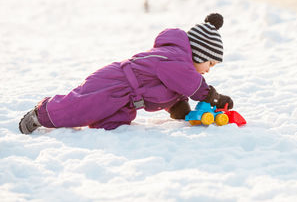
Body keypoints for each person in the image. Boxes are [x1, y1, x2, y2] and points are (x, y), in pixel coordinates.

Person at [19, 13, 234, 134]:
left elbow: (171, 88)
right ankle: (42, 114)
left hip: (127, 100)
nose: (208, 70)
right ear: (198, 52)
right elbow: (190, 83)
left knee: (112, 125)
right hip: (113, 83)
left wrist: (179, 108)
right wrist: (212, 97)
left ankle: (93, 129)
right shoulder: (176, 59)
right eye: (210, 63)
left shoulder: (178, 66)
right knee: (80, 107)